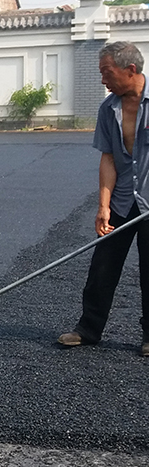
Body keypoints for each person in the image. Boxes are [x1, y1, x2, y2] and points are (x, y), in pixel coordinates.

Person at [58, 41, 149, 357]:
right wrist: (103, 206)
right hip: (124, 201)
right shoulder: (108, 108)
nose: (102, 80)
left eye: (106, 73)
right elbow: (109, 158)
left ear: (130, 69)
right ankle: (88, 329)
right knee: (102, 267)